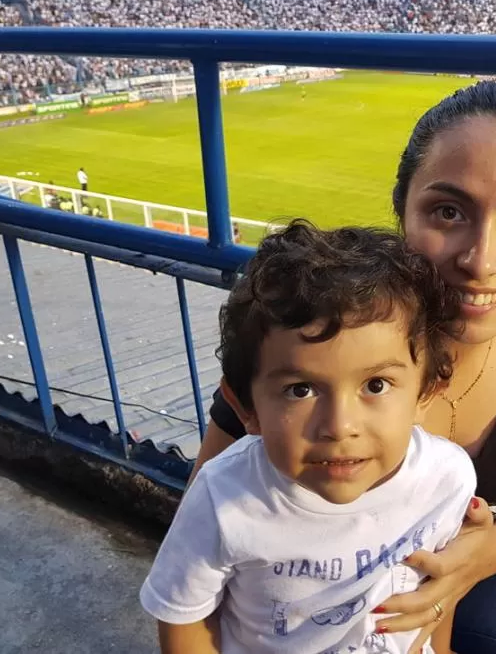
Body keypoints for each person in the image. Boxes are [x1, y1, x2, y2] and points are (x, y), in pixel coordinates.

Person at [189, 81, 496, 654]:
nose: (479, 260)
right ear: (402, 210)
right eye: (448, 211)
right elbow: (201, 534)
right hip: (308, 616)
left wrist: (474, 559)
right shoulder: (320, 333)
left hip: (470, 587)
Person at [140, 221, 476, 654]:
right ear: (246, 408)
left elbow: (438, 585)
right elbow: (183, 616)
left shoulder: (447, 479)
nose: (339, 426)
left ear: (425, 392)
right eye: (300, 390)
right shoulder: (225, 497)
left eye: (375, 385)